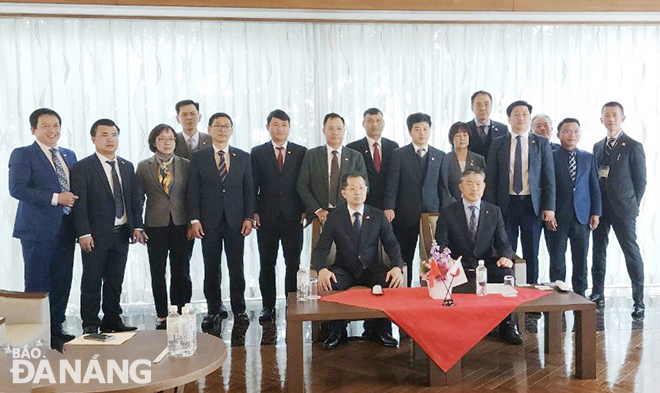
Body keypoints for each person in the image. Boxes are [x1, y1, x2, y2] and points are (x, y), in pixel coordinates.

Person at [8, 108, 78, 348]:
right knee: (38, 283)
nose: (52, 130)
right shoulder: (23, 154)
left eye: (56, 125)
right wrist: (55, 198)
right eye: (46, 126)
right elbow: (17, 189)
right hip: (37, 231)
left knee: (62, 280)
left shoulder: (69, 155)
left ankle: (56, 327)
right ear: (33, 129)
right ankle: (37, 333)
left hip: (66, 229)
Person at [314, 172, 404, 349]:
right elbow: (321, 247)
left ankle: (380, 329)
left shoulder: (378, 215)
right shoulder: (335, 217)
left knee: (389, 281)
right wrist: (321, 269)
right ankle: (337, 331)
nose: (358, 192)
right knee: (329, 282)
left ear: (366, 190)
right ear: (343, 193)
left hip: (371, 269)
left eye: (361, 188)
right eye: (353, 188)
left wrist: (397, 267)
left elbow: (392, 244)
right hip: (345, 269)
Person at [71, 118, 145, 334]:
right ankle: (90, 322)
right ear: (93, 138)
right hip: (94, 234)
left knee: (115, 279)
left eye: (113, 135)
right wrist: (83, 232)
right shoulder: (83, 167)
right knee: (92, 279)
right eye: (104, 135)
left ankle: (112, 318)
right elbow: (79, 204)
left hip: (121, 232)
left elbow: (133, 200)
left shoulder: (126, 166)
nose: (110, 139)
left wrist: (137, 226)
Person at [435, 169, 522, 345]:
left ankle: (506, 325)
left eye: (478, 184)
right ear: (460, 187)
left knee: (506, 273)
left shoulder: (494, 211)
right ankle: (454, 327)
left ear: (484, 187)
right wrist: (447, 260)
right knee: (445, 278)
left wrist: (506, 256)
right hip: (458, 266)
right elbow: (440, 244)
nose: (474, 188)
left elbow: (503, 242)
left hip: (487, 264)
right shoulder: (448, 212)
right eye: (469, 183)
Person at [187, 112, 254, 330]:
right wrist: (194, 219)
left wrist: (248, 217)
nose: (222, 129)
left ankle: (240, 309)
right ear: (209, 129)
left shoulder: (243, 157)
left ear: (232, 130)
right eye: (217, 126)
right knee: (211, 268)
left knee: (237, 267)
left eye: (226, 126)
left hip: (236, 221)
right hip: (209, 222)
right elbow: (193, 191)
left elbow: (249, 190)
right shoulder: (199, 157)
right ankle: (213, 309)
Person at [485, 101, 556, 284]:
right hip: (505, 204)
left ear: (529, 118)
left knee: (531, 250)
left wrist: (549, 207)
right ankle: (508, 290)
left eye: (525, 114)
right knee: (506, 250)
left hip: (531, 205)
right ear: (509, 118)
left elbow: (548, 178)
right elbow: (491, 178)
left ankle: (531, 291)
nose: (521, 118)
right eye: (516, 114)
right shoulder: (498, 143)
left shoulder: (541, 143)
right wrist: (492, 209)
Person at [591, 102, 646, 317]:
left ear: (622, 118)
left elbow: (641, 181)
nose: (610, 119)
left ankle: (638, 300)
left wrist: (632, 205)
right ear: (601, 119)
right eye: (606, 115)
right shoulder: (597, 146)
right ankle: (597, 294)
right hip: (601, 209)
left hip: (624, 209)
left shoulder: (633, 145)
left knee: (631, 252)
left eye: (614, 115)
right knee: (598, 252)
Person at [251, 109, 307, 323]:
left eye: (284, 125)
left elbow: (304, 183)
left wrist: (305, 209)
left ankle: (291, 304)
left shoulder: (301, 152)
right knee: (267, 263)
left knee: (293, 263)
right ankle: (268, 306)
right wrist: (253, 210)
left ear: (289, 128)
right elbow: (252, 185)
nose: (280, 129)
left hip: (294, 217)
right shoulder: (257, 152)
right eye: (275, 125)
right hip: (266, 217)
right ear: (268, 127)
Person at [136, 124, 192, 330]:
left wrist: (193, 221)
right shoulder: (143, 166)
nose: (167, 142)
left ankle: (180, 310)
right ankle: (162, 314)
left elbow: (192, 196)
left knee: (181, 270)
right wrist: (138, 226)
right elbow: (138, 198)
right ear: (154, 142)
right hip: (155, 225)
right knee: (158, 271)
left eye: (171, 139)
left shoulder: (186, 164)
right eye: (162, 138)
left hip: (181, 224)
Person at [384, 112, 446, 286]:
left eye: (426, 129)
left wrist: (444, 212)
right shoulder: (399, 154)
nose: (422, 133)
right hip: (405, 214)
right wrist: (389, 206)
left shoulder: (440, 155)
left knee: (431, 257)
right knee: (405, 256)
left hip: (432, 215)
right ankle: (404, 291)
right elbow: (392, 184)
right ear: (410, 131)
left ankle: (430, 290)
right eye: (417, 129)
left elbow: (442, 187)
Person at [545, 118, 601, 297]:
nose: (572, 135)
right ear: (558, 134)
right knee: (557, 259)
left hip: (582, 216)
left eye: (576, 131)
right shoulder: (551, 156)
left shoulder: (588, 157)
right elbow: (547, 186)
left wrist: (596, 212)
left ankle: (580, 293)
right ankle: (557, 293)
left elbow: (594, 186)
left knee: (580, 258)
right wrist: (549, 211)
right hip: (558, 216)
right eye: (567, 131)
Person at [297, 113, 367, 225]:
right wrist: (317, 210)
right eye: (331, 128)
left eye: (339, 128)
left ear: (344, 131)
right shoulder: (311, 155)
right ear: (323, 130)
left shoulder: (356, 157)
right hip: (319, 215)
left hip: (348, 215)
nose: (335, 132)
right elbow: (302, 185)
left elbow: (365, 186)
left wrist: (351, 208)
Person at [346, 108, 399, 209]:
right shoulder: (353, 148)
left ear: (383, 123)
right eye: (370, 121)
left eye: (378, 121)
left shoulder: (393, 147)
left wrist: (390, 206)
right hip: (362, 204)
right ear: (363, 124)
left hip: (389, 207)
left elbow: (395, 179)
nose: (374, 124)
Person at [441, 121, 486, 205]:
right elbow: (444, 186)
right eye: (458, 135)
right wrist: (454, 204)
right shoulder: (446, 159)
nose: (462, 138)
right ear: (452, 139)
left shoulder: (478, 159)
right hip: (452, 206)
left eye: (465, 135)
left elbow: (482, 184)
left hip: (475, 204)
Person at [466, 91, 509, 158]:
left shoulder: (502, 129)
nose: (483, 108)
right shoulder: (464, 129)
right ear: (472, 107)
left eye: (486, 104)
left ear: (491, 106)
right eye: (479, 105)